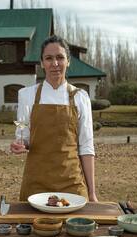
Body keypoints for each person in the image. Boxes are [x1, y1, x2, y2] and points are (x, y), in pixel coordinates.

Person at [10, 35, 98, 202]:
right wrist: (20, 145)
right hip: (35, 183)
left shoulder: (81, 97)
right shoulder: (26, 95)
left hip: (72, 182)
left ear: (68, 61)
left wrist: (92, 193)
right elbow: (24, 137)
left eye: (60, 57)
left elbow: (86, 147)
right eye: (49, 58)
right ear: (42, 63)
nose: (55, 63)